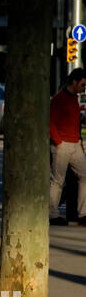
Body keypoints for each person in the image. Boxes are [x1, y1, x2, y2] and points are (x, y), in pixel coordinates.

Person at [49, 67, 86, 226]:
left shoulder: (74, 99)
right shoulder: (59, 99)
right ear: (74, 82)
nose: (84, 88)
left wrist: (80, 143)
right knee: (58, 180)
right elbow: (49, 121)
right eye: (83, 84)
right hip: (62, 144)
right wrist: (58, 142)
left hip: (75, 144)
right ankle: (52, 214)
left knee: (85, 176)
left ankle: (83, 213)